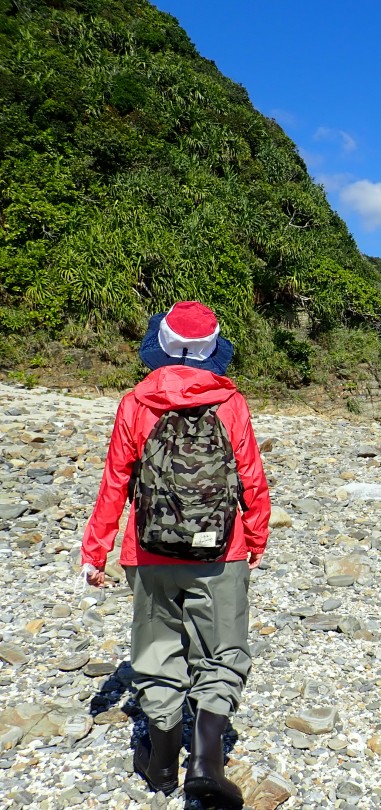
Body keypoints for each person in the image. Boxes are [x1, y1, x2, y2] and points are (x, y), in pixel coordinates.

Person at [81, 301, 270, 807]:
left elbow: (116, 481)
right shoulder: (231, 402)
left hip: (147, 553)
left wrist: (94, 551)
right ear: (214, 350)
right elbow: (250, 476)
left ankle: (162, 761)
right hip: (220, 550)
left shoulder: (136, 402)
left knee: (157, 650)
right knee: (222, 651)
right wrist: (256, 538)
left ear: (161, 345)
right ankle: (207, 764)